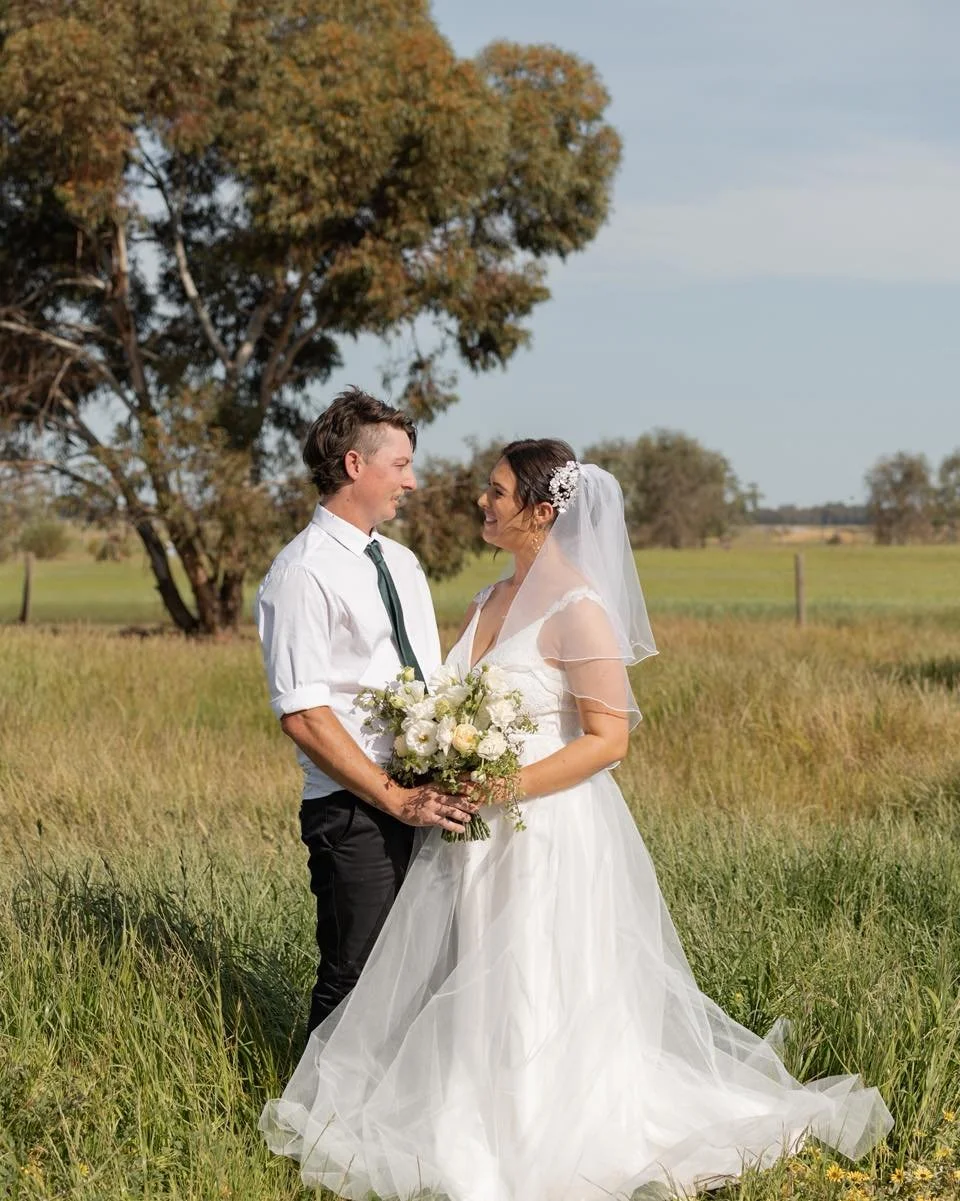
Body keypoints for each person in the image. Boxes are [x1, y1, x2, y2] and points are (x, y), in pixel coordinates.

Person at [260, 438, 893, 1200]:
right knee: (476, 977)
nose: (482, 501)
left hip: (548, 829)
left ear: (540, 511)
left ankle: (542, 1134)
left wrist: (507, 783)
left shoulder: (579, 608)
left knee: (535, 975)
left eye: (497, 492)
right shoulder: (487, 599)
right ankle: (474, 1113)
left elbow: (608, 739)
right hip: (475, 835)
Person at [255, 387, 478, 1035]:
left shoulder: (402, 563)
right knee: (357, 976)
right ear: (355, 465)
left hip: (427, 797)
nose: (412, 481)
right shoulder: (302, 573)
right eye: (400, 465)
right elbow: (303, 713)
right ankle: (317, 1102)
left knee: (431, 970)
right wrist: (393, 798)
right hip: (355, 809)